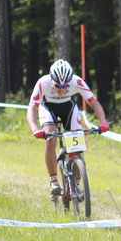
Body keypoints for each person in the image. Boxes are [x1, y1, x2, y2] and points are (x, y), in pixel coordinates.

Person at [26, 59, 109, 198]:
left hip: (69, 109)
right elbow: (32, 109)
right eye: (58, 86)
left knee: (76, 147)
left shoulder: (77, 81)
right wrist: (35, 129)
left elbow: (95, 104)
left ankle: (76, 184)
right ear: (52, 80)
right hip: (48, 109)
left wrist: (103, 123)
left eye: (65, 86)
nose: (62, 89)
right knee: (50, 139)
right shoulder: (42, 83)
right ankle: (54, 182)